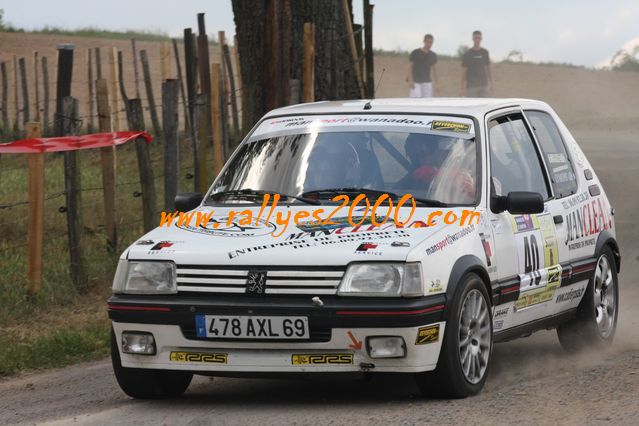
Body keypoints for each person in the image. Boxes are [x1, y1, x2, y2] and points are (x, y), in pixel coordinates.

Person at [461, 30, 493, 97]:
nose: (477, 40)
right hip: (471, 86)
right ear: (473, 39)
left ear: (481, 39)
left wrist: (491, 84)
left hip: (484, 85)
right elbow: (464, 71)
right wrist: (462, 88)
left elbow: (488, 68)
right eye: (475, 38)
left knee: (485, 105)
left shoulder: (485, 52)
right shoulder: (467, 54)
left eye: (478, 38)